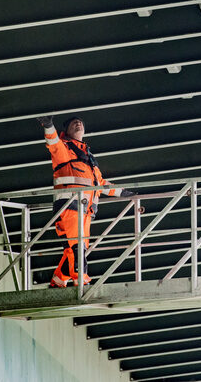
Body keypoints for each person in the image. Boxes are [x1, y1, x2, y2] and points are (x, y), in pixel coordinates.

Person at [37, 115, 134, 288]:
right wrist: (48, 125)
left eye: (80, 122)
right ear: (65, 131)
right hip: (69, 208)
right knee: (76, 248)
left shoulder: (89, 159)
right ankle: (82, 281)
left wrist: (125, 193)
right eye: (74, 123)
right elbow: (53, 143)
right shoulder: (65, 150)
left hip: (86, 212)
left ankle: (58, 280)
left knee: (75, 248)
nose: (78, 123)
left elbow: (101, 184)